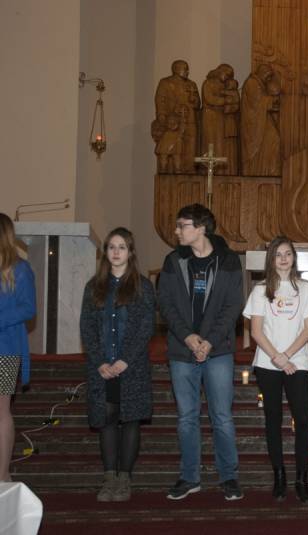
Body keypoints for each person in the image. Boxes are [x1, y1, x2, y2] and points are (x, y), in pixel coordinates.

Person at [158, 204, 244, 501]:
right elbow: (165, 303)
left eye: (182, 225)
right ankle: (189, 477)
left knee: (222, 417)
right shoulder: (173, 261)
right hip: (182, 350)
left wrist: (208, 341)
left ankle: (229, 477)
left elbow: (233, 305)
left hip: (218, 351)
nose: (177, 231)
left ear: (201, 228)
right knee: (187, 418)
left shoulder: (229, 260)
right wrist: (188, 336)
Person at [243, 236, 308, 504]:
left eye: (288, 254)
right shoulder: (260, 290)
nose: (284, 259)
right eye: (278, 255)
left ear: (294, 257)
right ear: (271, 259)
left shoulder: (306, 289)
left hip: (297, 363)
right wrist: (277, 357)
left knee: (304, 420)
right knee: (273, 419)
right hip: (267, 363)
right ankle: (279, 476)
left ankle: (301, 479)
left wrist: (286, 356)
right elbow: (256, 331)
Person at [80, 228, 155, 501]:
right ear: (105, 252)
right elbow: (87, 327)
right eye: (111, 247)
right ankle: (109, 477)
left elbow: (146, 327)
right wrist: (100, 361)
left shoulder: (142, 286)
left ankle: (125, 479)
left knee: (131, 420)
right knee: (107, 420)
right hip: (102, 367)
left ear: (130, 252)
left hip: (131, 367)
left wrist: (125, 360)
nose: (116, 252)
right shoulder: (94, 286)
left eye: (122, 247)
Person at [0, 213, 35, 483]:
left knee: (1, 412)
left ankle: (2, 475)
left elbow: (28, 308)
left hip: (6, 349)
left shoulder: (20, 269)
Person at [153, 59, 200, 173]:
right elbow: (160, 100)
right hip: (173, 121)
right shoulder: (165, 83)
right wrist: (162, 116)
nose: (188, 71)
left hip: (190, 119)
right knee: (172, 146)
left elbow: (197, 104)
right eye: (185, 69)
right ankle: (172, 170)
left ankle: (189, 168)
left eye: (187, 69)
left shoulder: (192, 84)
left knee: (191, 143)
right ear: (176, 69)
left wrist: (194, 100)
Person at [241, 64, 282, 176]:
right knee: (274, 140)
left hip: (261, 119)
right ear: (262, 73)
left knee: (274, 140)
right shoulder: (252, 83)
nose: (269, 79)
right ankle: (262, 171)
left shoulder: (259, 84)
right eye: (268, 76)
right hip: (254, 125)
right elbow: (256, 102)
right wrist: (272, 100)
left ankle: (269, 171)